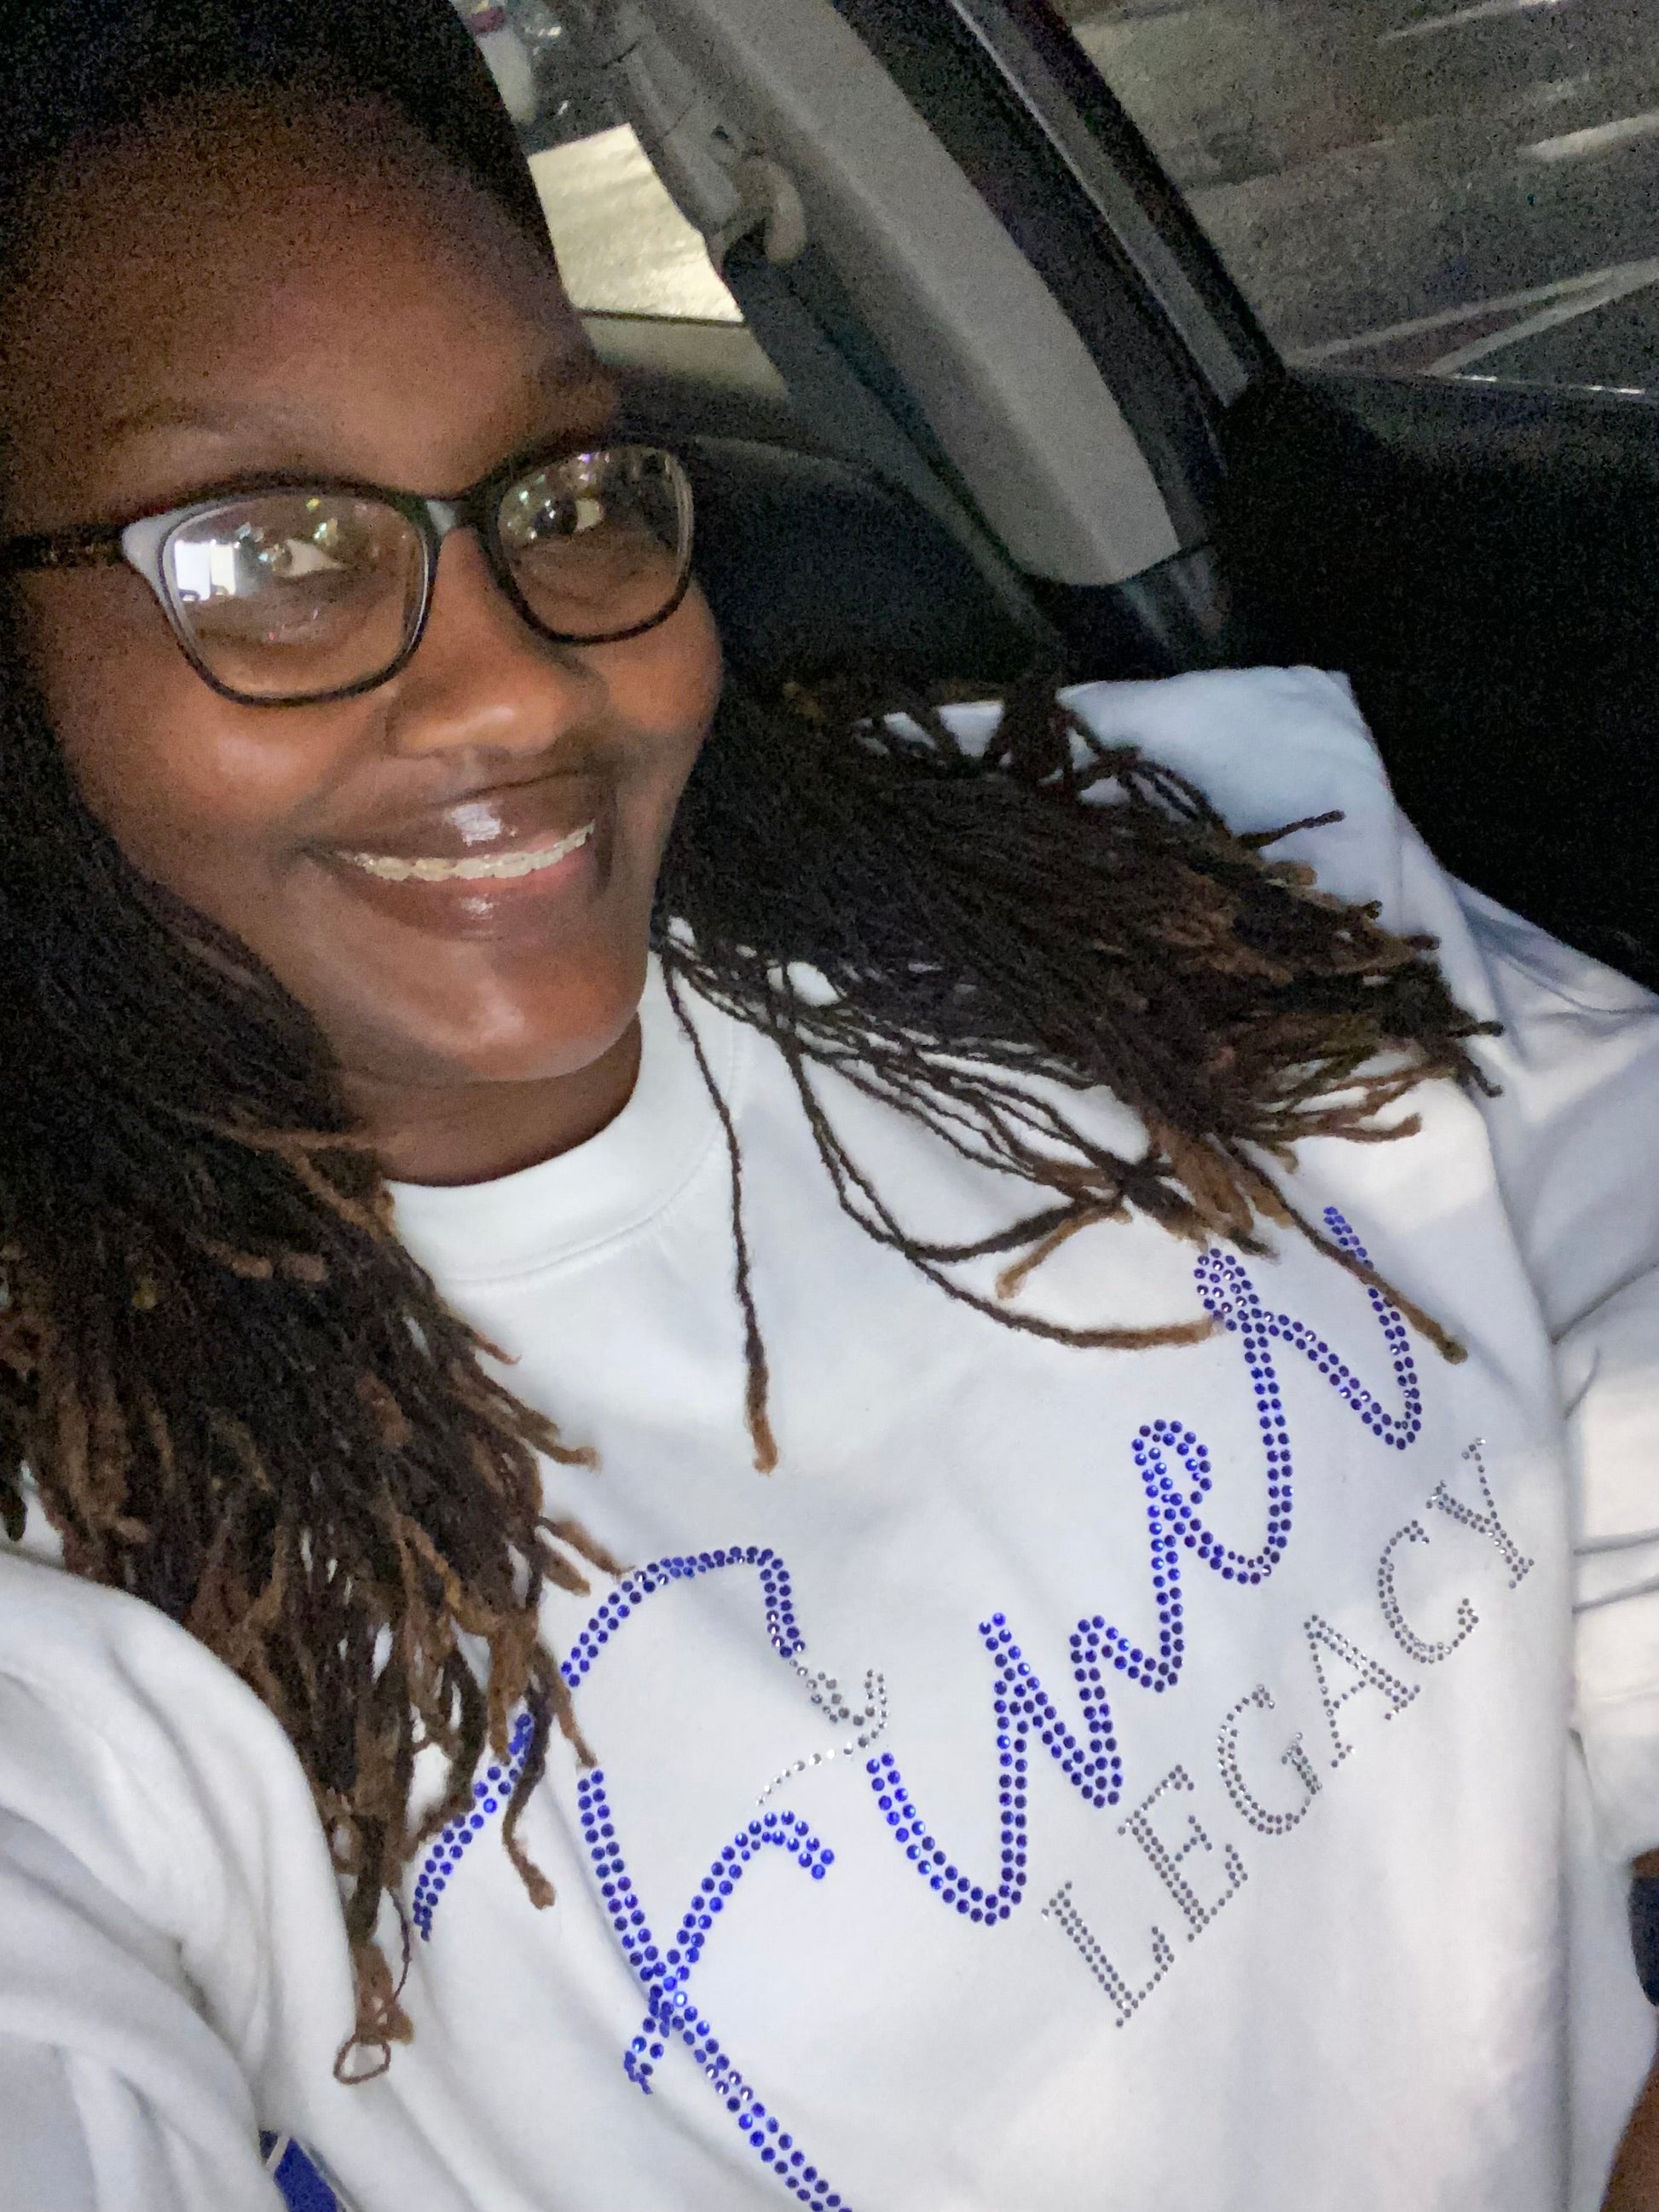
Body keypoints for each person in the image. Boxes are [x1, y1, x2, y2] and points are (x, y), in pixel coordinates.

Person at [0, 4, 1656, 2209]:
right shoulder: (90, 1539)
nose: (513, 682)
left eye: (563, 497)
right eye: (268, 554)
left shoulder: (1107, 875)